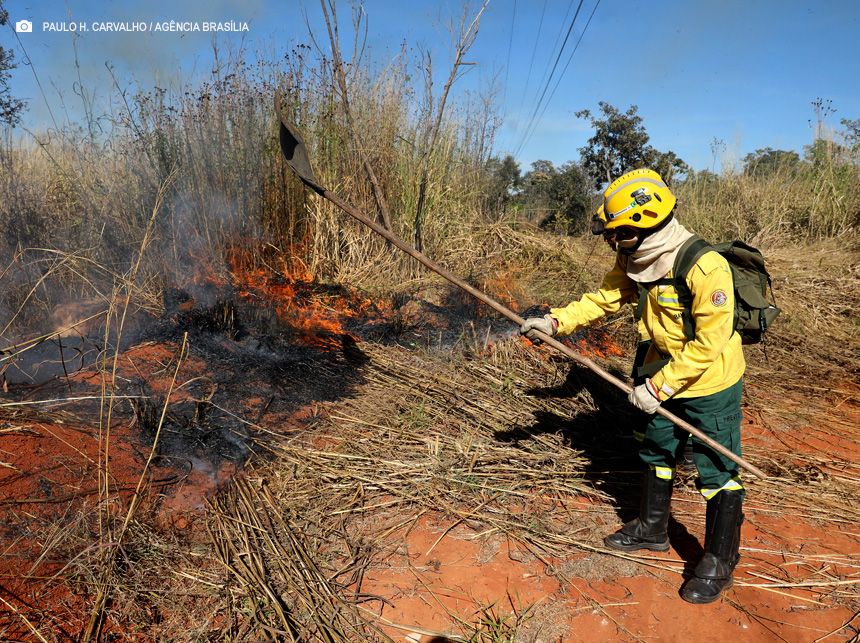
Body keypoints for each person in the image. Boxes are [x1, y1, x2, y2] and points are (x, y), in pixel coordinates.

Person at [521, 168, 745, 604]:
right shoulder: (635, 257)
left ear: (643, 225)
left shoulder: (705, 267)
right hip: (659, 374)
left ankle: (719, 562)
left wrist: (658, 388)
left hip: (708, 384)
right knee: (657, 451)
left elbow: (709, 344)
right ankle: (652, 528)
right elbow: (604, 298)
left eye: (618, 232)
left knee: (718, 473)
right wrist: (555, 321)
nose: (612, 240)